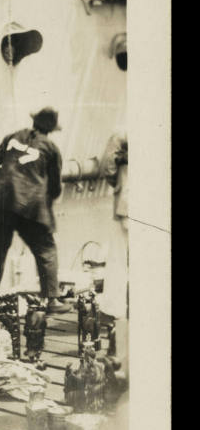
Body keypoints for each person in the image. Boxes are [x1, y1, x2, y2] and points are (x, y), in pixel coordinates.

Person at [0, 107, 71, 314]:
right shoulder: (51, 148)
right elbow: (55, 186)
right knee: (46, 248)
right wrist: (41, 196)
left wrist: (6, 187)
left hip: (0, 200)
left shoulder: (12, 136)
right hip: (30, 206)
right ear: (52, 129)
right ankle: (52, 299)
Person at [100, 130, 128, 321]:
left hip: (126, 203)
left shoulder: (122, 132)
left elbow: (107, 166)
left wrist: (118, 182)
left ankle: (114, 310)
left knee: (118, 258)